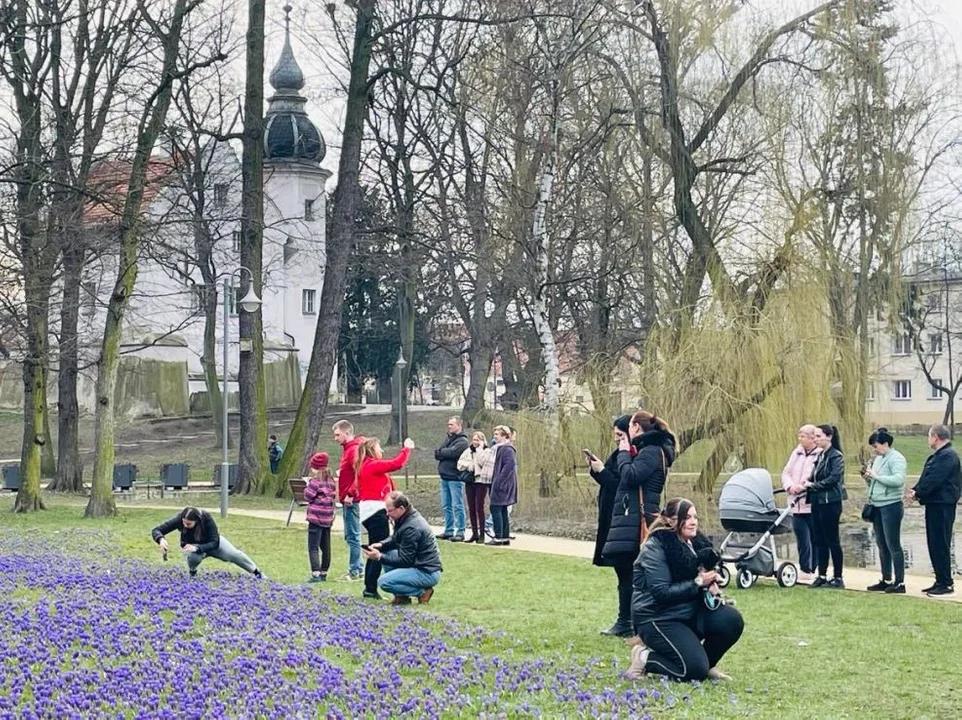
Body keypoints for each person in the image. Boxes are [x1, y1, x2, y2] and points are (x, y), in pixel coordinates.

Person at [627, 498, 744, 682]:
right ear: (671, 521)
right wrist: (698, 582)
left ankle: (707, 664)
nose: (693, 522)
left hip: (688, 610)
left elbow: (699, 573)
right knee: (692, 672)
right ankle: (644, 658)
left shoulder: (696, 544)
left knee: (731, 620)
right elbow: (661, 593)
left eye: (695, 517)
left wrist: (711, 581)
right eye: (687, 517)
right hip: (657, 617)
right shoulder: (655, 547)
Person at [602, 411, 677, 567]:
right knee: (627, 578)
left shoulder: (650, 451)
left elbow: (630, 476)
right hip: (631, 522)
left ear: (636, 427)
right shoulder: (649, 450)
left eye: (630, 426)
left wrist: (623, 454)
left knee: (629, 579)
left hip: (636, 523)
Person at [588, 415, 635, 637]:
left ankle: (627, 620)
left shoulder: (630, 456)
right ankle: (625, 619)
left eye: (620, 435)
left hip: (622, 518)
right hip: (612, 516)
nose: (616, 439)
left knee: (627, 572)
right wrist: (598, 470)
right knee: (622, 572)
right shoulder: (620, 454)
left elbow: (621, 485)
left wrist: (602, 471)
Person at [356, 436, 416, 599]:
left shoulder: (366, 466)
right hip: (376, 512)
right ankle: (372, 588)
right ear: (371, 450)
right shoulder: (372, 465)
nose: (381, 451)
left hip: (371, 511)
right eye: (378, 448)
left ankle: (370, 586)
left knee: (376, 548)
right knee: (379, 549)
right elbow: (396, 463)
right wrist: (406, 448)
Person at [909, 424, 962, 597]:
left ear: (936, 437)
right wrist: (916, 489)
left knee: (940, 543)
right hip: (934, 503)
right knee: (934, 542)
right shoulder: (939, 456)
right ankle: (940, 580)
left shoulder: (947, 456)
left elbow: (935, 479)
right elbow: (927, 476)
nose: (928, 439)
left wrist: (919, 492)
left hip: (943, 504)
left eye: (929, 436)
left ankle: (946, 583)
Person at [363, 491, 442, 605]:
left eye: (390, 511)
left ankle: (422, 592)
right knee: (387, 552)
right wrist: (382, 545)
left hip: (426, 571)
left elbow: (405, 560)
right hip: (419, 563)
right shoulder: (406, 517)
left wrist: (379, 557)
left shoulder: (411, 527)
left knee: (384, 582)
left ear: (400, 508)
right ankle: (402, 596)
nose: (387, 514)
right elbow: (395, 538)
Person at [151, 507, 262, 578]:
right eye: (184, 523)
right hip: (192, 546)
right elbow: (157, 530)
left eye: (188, 524)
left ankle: (256, 572)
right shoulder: (181, 519)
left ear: (197, 521)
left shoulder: (206, 518)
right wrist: (161, 539)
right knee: (193, 557)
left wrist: (198, 548)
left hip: (212, 543)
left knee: (233, 554)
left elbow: (215, 542)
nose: (185, 525)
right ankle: (192, 572)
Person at [863, 428, 907, 594]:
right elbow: (876, 482)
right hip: (877, 504)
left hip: (891, 505)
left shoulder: (897, 459)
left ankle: (900, 582)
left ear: (885, 444)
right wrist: (868, 479)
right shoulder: (879, 459)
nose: (875, 450)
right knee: (881, 544)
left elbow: (898, 480)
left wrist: (876, 477)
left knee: (893, 544)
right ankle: (886, 578)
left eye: (876, 446)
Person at [803, 424, 847, 589]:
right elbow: (815, 476)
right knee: (819, 540)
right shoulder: (820, 455)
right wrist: (807, 483)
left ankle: (838, 576)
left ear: (829, 436)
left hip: (830, 502)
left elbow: (834, 478)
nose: (815, 439)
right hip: (817, 502)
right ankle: (821, 574)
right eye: (814, 436)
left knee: (832, 540)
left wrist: (812, 485)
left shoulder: (836, 456)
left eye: (818, 436)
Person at [780, 424, 820, 582]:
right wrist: (790, 486)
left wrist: (803, 486)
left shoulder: (819, 455)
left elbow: (816, 475)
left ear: (812, 438)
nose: (800, 438)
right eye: (799, 435)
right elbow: (786, 472)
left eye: (803, 436)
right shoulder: (796, 453)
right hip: (795, 503)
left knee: (814, 539)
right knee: (802, 538)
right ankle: (804, 568)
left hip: (811, 503)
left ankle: (813, 568)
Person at [333, 420, 365, 581]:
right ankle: (358, 568)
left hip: (352, 500)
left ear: (347, 433)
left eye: (338, 434)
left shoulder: (353, 451)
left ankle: (355, 570)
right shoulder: (348, 450)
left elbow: (359, 474)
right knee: (350, 535)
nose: (335, 438)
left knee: (353, 536)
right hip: (347, 499)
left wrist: (351, 493)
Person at [434, 417, 470, 542]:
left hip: (455, 477)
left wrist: (443, 453)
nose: (449, 426)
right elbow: (438, 453)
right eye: (448, 424)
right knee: (446, 505)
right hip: (444, 477)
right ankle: (449, 530)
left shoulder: (463, 441)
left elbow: (452, 453)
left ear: (459, 425)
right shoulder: (448, 439)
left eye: (452, 424)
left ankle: (460, 531)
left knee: (457, 505)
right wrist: (444, 452)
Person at [304, 452, 336, 583]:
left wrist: (307, 485)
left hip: (316, 518)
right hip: (327, 518)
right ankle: (324, 572)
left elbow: (308, 496)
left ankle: (315, 573)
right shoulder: (331, 481)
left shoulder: (315, 482)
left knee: (313, 547)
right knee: (326, 546)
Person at [487, 425, 517, 546]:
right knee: (503, 509)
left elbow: (509, 466)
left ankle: (499, 536)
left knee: (496, 508)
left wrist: (499, 481)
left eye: (497, 435)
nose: (495, 437)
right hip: (503, 483)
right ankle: (504, 537)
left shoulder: (507, 449)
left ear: (505, 436)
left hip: (503, 484)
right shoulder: (500, 448)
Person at [457, 431, 490, 544]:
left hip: (480, 481)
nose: (475, 442)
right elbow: (459, 464)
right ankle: (474, 533)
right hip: (470, 481)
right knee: (471, 508)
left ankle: (482, 534)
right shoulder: (468, 451)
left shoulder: (486, 451)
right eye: (474, 440)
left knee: (479, 507)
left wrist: (479, 450)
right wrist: (468, 465)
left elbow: (483, 462)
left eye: (478, 440)